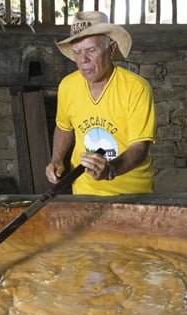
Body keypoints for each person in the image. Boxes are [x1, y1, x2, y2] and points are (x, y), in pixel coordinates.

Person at [45, 11, 156, 196]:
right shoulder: (68, 86)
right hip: (83, 191)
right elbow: (64, 127)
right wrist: (57, 159)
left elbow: (139, 148)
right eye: (77, 52)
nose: (83, 60)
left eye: (91, 50)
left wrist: (110, 170)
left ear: (111, 49)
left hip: (132, 193)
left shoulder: (136, 88)